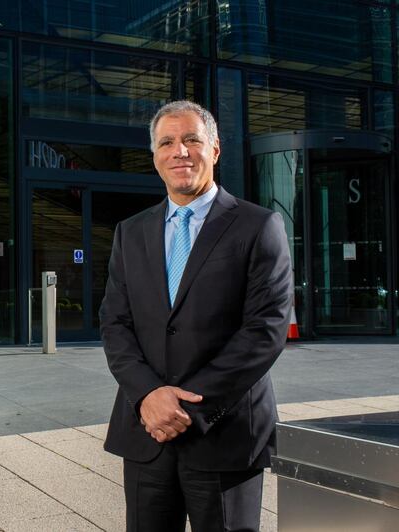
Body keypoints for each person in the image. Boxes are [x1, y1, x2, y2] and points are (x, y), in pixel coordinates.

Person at [99, 100, 293, 532]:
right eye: (167, 142)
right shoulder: (130, 232)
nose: (179, 151)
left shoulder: (259, 226)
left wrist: (187, 407)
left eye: (191, 140)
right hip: (147, 432)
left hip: (224, 433)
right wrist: (148, 395)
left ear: (216, 150)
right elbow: (115, 323)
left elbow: (265, 329)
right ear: (155, 156)